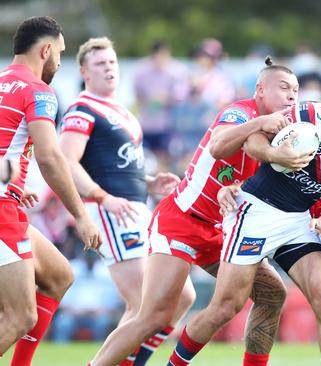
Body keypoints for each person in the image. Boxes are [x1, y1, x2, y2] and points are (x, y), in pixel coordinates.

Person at [89, 57, 308, 366]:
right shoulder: (239, 112)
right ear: (260, 90)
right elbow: (219, 146)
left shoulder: (285, 134)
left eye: (296, 90)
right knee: (153, 315)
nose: (291, 96)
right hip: (182, 220)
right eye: (284, 88)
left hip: (220, 231)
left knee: (272, 293)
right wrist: (259, 123)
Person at [169, 82, 321, 366]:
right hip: (257, 212)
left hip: (299, 221)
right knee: (225, 307)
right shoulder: (310, 115)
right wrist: (278, 156)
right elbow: (252, 140)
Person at [58, 37, 196, 365]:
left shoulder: (123, 111)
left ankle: (130, 362)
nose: (109, 68)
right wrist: (102, 199)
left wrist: (148, 182)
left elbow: (116, 163)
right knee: (144, 305)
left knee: (182, 296)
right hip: (111, 211)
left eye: (112, 62)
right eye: (100, 64)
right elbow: (66, 160)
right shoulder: (83, 108)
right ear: (84, 72)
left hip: (137, 209)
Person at [0, 16, 101, 364]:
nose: (58, 62)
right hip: (1, 211)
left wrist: (9, 180)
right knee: (20, 316)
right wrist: (81, 215)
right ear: (45, 50)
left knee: (59, 276)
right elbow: (51, 157)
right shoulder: (39, 91)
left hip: (6, 199)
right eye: (59, 53)